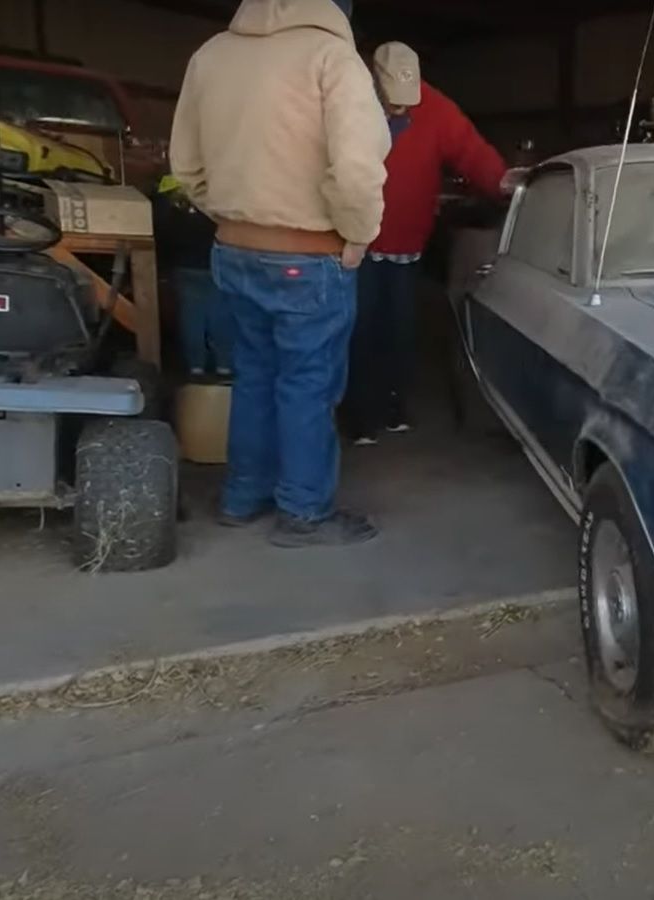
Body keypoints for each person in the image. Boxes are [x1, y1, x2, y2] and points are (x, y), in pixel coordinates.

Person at [169, 0, 391, 547]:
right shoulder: (331, 58)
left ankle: (242, 498)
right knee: (307, 384)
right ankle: (304, 513)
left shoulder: (211, 55)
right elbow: (357, 168)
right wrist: (357, 234)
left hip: (233, 247)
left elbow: (187, 166)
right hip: (310, 254)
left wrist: (231, 216)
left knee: (254, 375)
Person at [346, 41, 514, 444]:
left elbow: (470, 150)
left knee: (400, 329)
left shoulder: (437, 108)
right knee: (359, 329)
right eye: (392, 102)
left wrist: (504, 182)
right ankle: (358, 418)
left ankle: (393, 408)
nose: (401, 110)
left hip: (407, 244)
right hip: (359, 243)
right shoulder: (349, 100)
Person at [152, 174, 231, 379]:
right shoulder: (219, 187)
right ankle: (224, 365)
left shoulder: (168, 189)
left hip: (183, 263)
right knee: (220, 316)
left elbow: (161, 230)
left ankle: (195, 366)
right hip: (215, 262)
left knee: (191, 317)